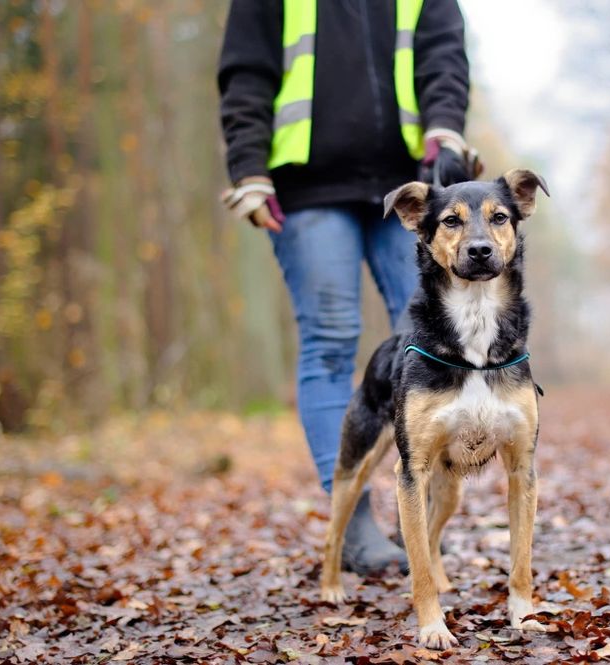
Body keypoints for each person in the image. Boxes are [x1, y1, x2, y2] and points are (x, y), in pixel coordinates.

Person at [217, 0, 476, 574]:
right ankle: (356, 522)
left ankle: (428, 513)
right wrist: (248, 168)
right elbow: (247, 71)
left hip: (412, 185)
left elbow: (443, 53)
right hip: (306, 188)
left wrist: (446, 125)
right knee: (331, 340)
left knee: (431, 342)